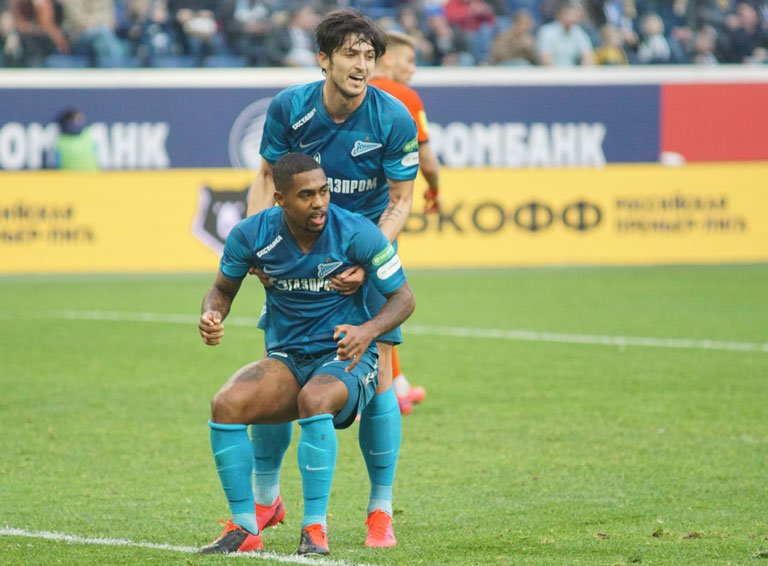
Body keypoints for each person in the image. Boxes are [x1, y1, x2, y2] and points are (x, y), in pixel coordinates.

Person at [245, 9, 419, 548]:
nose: (362, 65)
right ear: (324, 59)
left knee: (380, 373)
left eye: (370, 55)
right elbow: (266, 179)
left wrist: (368, 258)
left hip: (365, 252)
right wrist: (258, 245)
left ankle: (380, 510)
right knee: (280, 369)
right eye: (350, 54)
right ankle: (266, 500)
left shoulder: (393, 118)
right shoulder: (289, 107)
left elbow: (400, 201)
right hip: (296, 254)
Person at [198, 152, 415, 555]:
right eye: (306, 195)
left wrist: (366, 332)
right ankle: (245, 528)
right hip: (287, 357)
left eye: (324, 192)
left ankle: (315, 528)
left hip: (346, 356)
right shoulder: (250, 235)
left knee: (315, 399)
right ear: (279, 199)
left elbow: (404, 298)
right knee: (225, 404)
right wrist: (212, 314)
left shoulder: (356, 231)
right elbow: (222, 290)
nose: (319, 203)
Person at [369, 30, 437, 415]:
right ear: (388, 59)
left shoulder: (343, 95)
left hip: (338, 213)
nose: (413, 69)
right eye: (410, 61)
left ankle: (397, 383)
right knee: (385, 299)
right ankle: (383, 392)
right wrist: (435, 189)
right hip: (382, 214)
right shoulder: (403, 97)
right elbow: (426, 160)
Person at [536, 0, 596, 66]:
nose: (572, 18)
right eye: (569, 14)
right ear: (560, 14)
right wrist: (557, 72)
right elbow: (545, 58)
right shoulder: (547, 32)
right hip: (550, 71)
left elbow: (588, 56)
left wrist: (584, 69)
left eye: (575, 15)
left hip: (572, 71)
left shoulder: (579, 33)